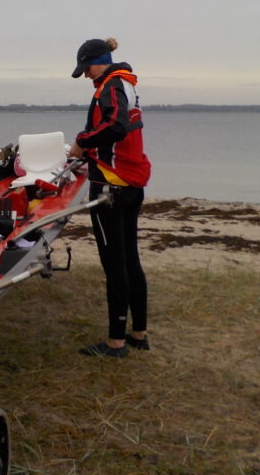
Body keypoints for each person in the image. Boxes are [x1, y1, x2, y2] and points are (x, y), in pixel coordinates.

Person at [67, 37, 152, 357]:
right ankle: (138, 332)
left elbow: (115, 127)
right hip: (132, 182)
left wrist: (82, 142)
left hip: (110, 187)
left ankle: (116, 342)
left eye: (86, 69)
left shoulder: (111, 86)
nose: (86, 75)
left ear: (97, 61)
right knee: (131, 257)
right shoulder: (127, 83)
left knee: (114, 264)